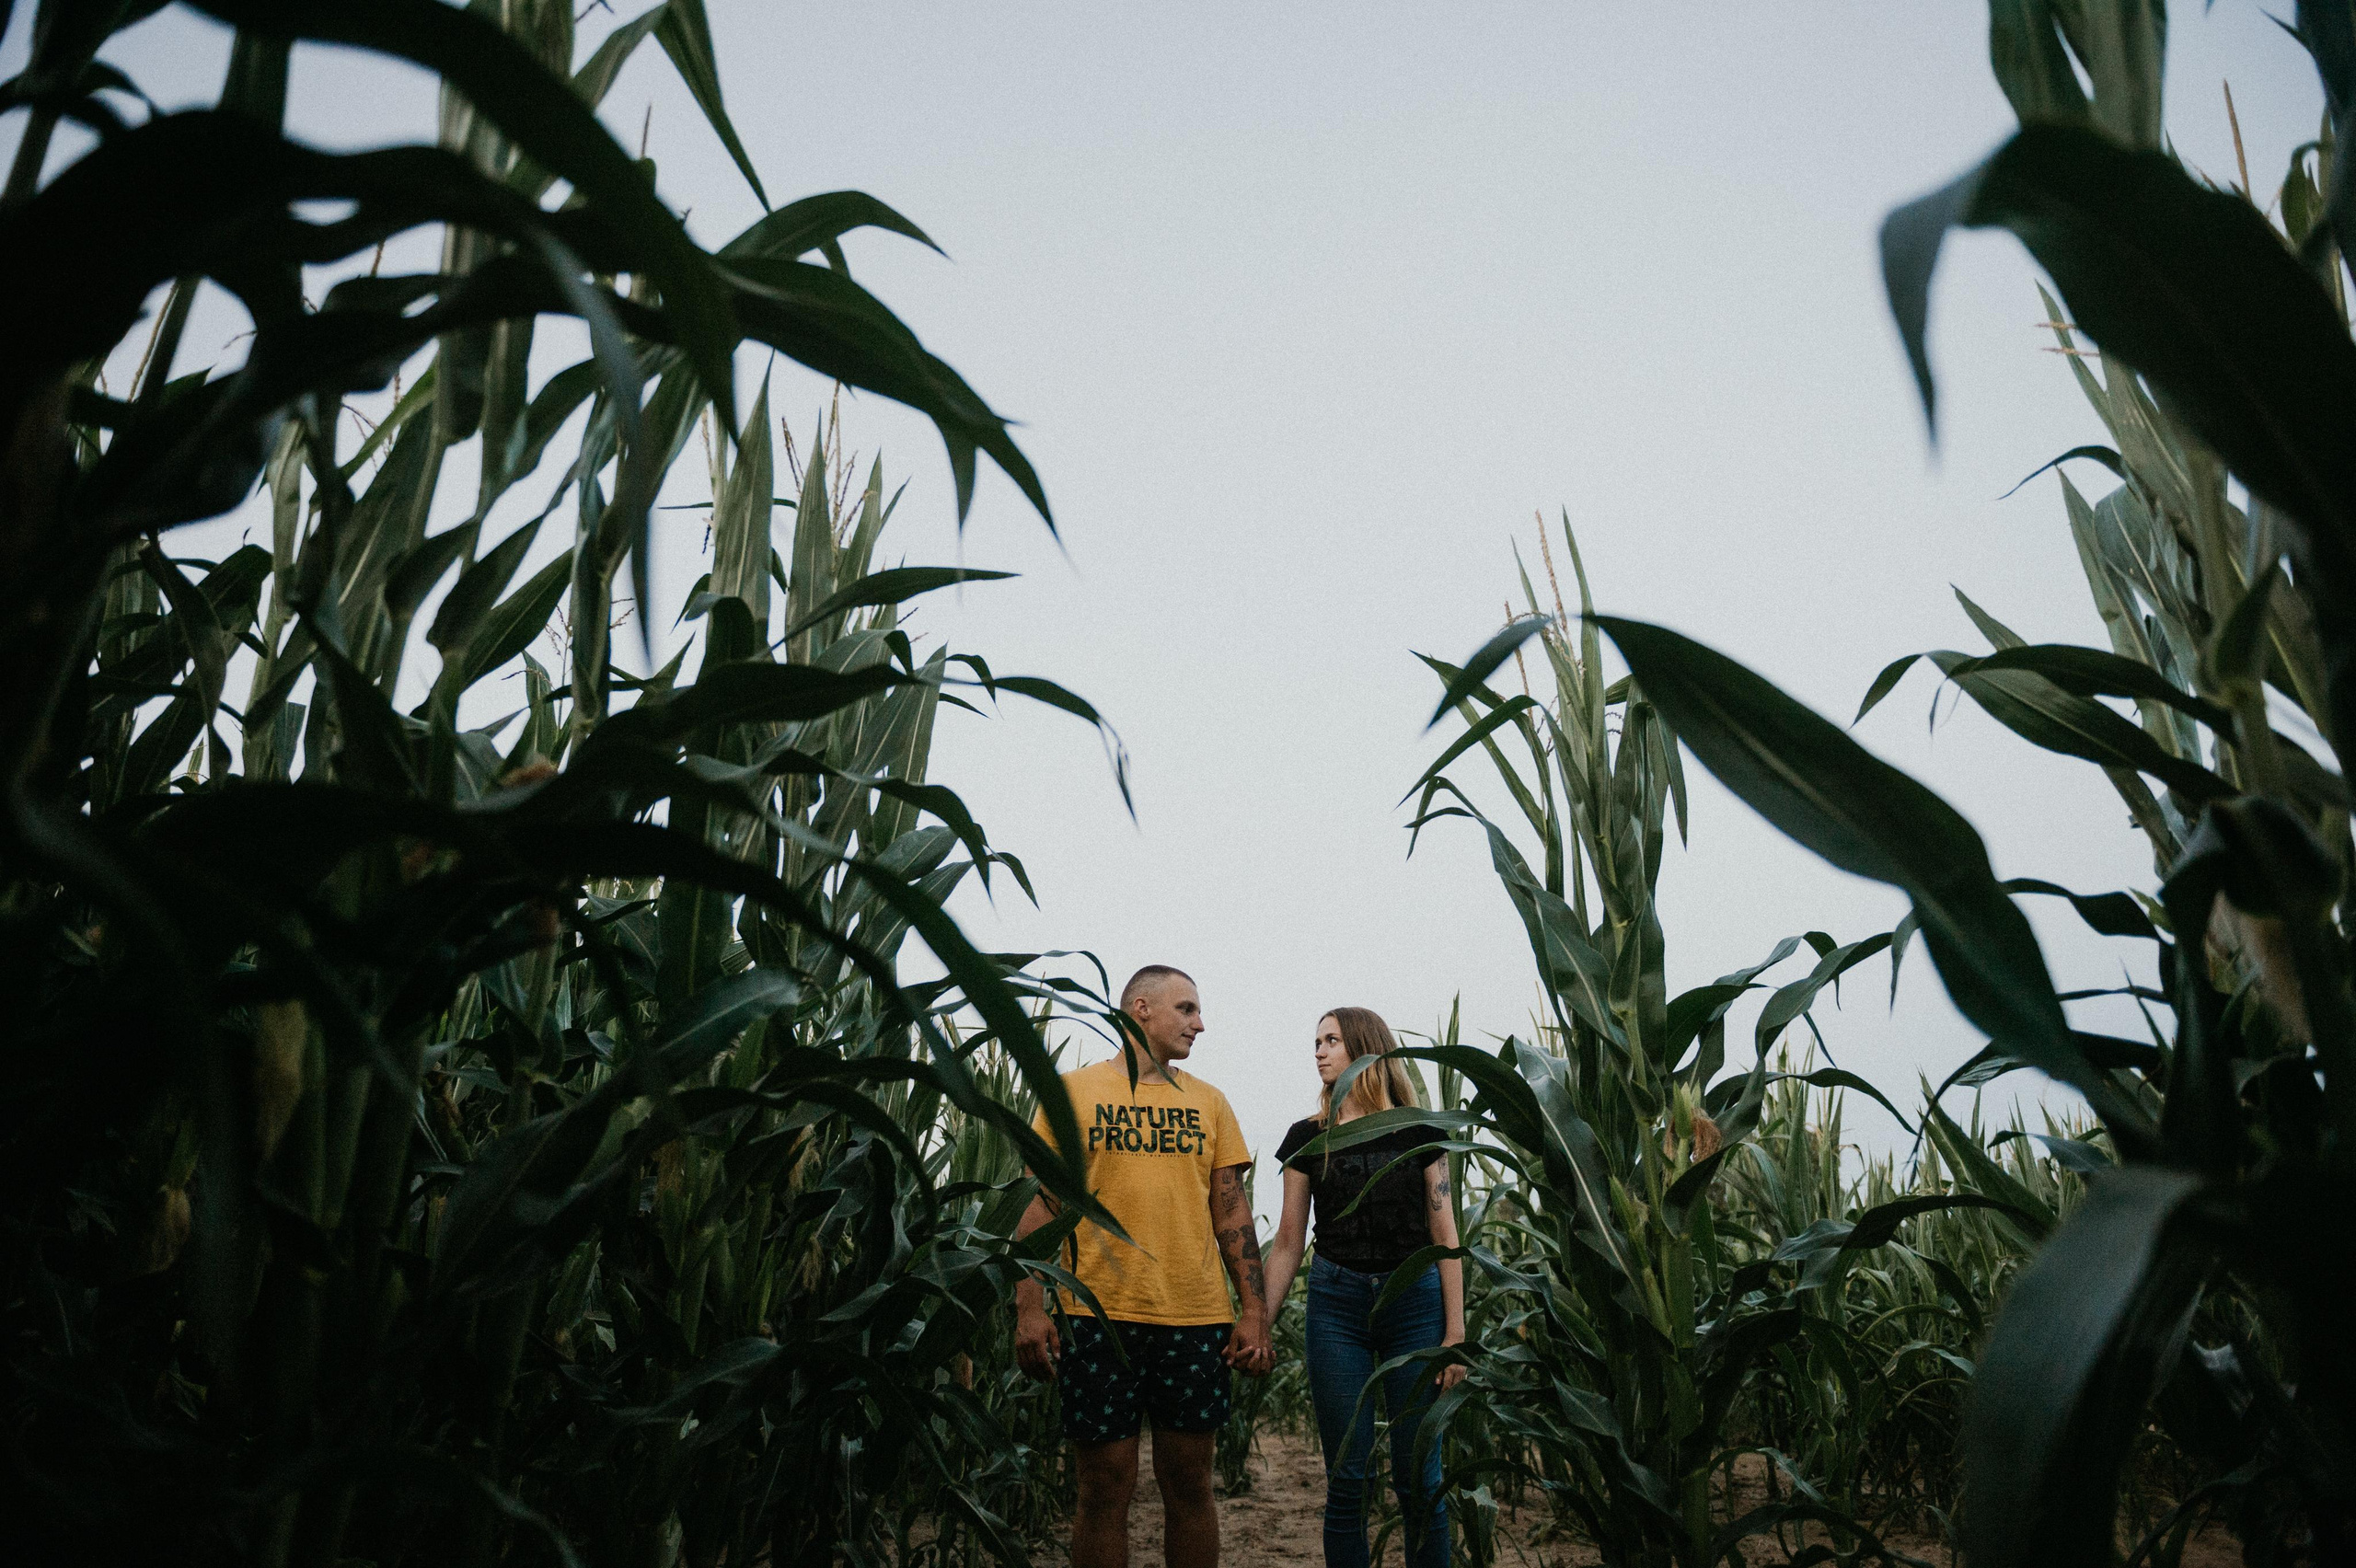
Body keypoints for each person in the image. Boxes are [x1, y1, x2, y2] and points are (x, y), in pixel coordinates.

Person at [1012, 965, 1274, 1568]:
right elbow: (1035, 1205)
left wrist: (1254, 1311)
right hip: (1095, 1317)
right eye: (1186, 1009)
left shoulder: (1209, 1102)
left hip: (1195, 1319)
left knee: (1189, 1486)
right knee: (1103, 1487)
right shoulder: (1071, 1094)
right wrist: (1030, 1306)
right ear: (1141, 1008)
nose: (1200, 1024)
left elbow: (1232, 1213)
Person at [1262, 1007, 1466, 1568]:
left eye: (1332, 1040)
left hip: (1415, 1306)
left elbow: (1446, 1234)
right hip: (1336, 1307)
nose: (1320, 1051)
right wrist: (1258, 1323)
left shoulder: (1421, 1131)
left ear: (1366, 1050)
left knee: (1419, 1476)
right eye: (1317, 1041)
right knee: (1346, 1479)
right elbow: (1286, 1242)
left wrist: (1456, 1333)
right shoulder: (1307, 1138)